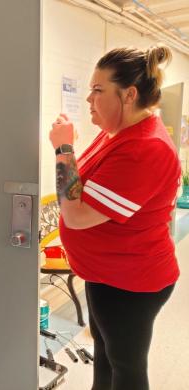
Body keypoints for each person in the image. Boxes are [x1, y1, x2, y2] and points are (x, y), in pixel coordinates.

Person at [49, 45, 180, 390]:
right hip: (106, 273)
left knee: (126, 366)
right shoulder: (118, 135)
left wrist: (63, 151)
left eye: (97, 89)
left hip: (131, 280)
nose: (89, 98)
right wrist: (71, 151)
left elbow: (76, 215)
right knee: (106, 353)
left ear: (129, 94)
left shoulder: (144, 149)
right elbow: (81, 189)